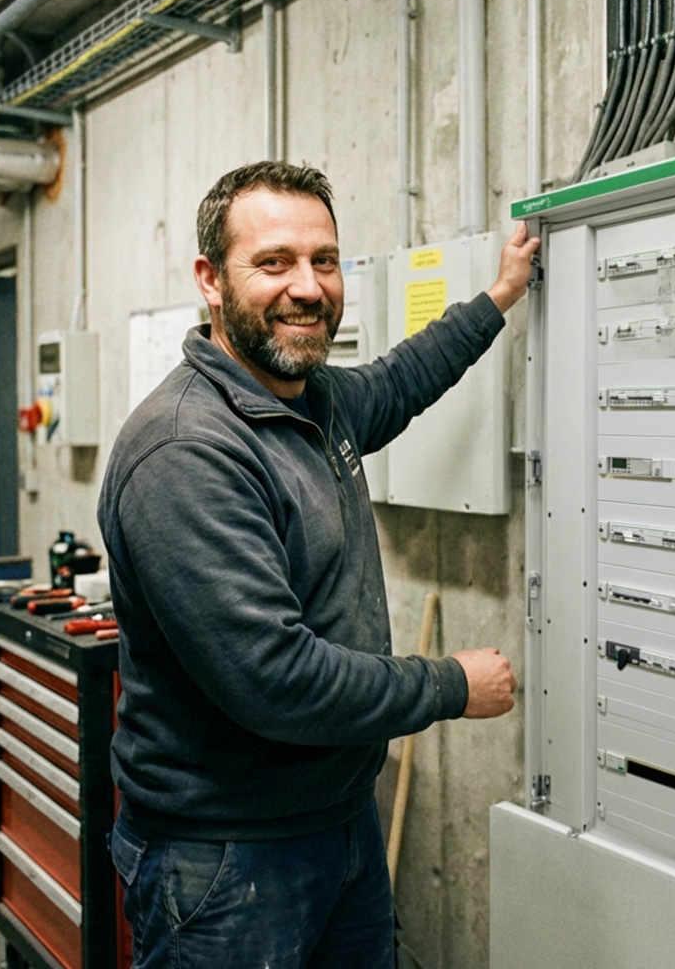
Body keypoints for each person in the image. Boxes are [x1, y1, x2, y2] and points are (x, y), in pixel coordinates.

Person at [98, 159, 540, 969]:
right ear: (211, 279)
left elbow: (404, 376)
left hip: (337, 824)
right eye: (273, 263)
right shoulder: (186, 450)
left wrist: (501, 295)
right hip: (225, 862)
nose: (307, 287)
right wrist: (449, 685)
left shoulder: (313, 401)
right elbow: (276, 679)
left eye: (323, 261)